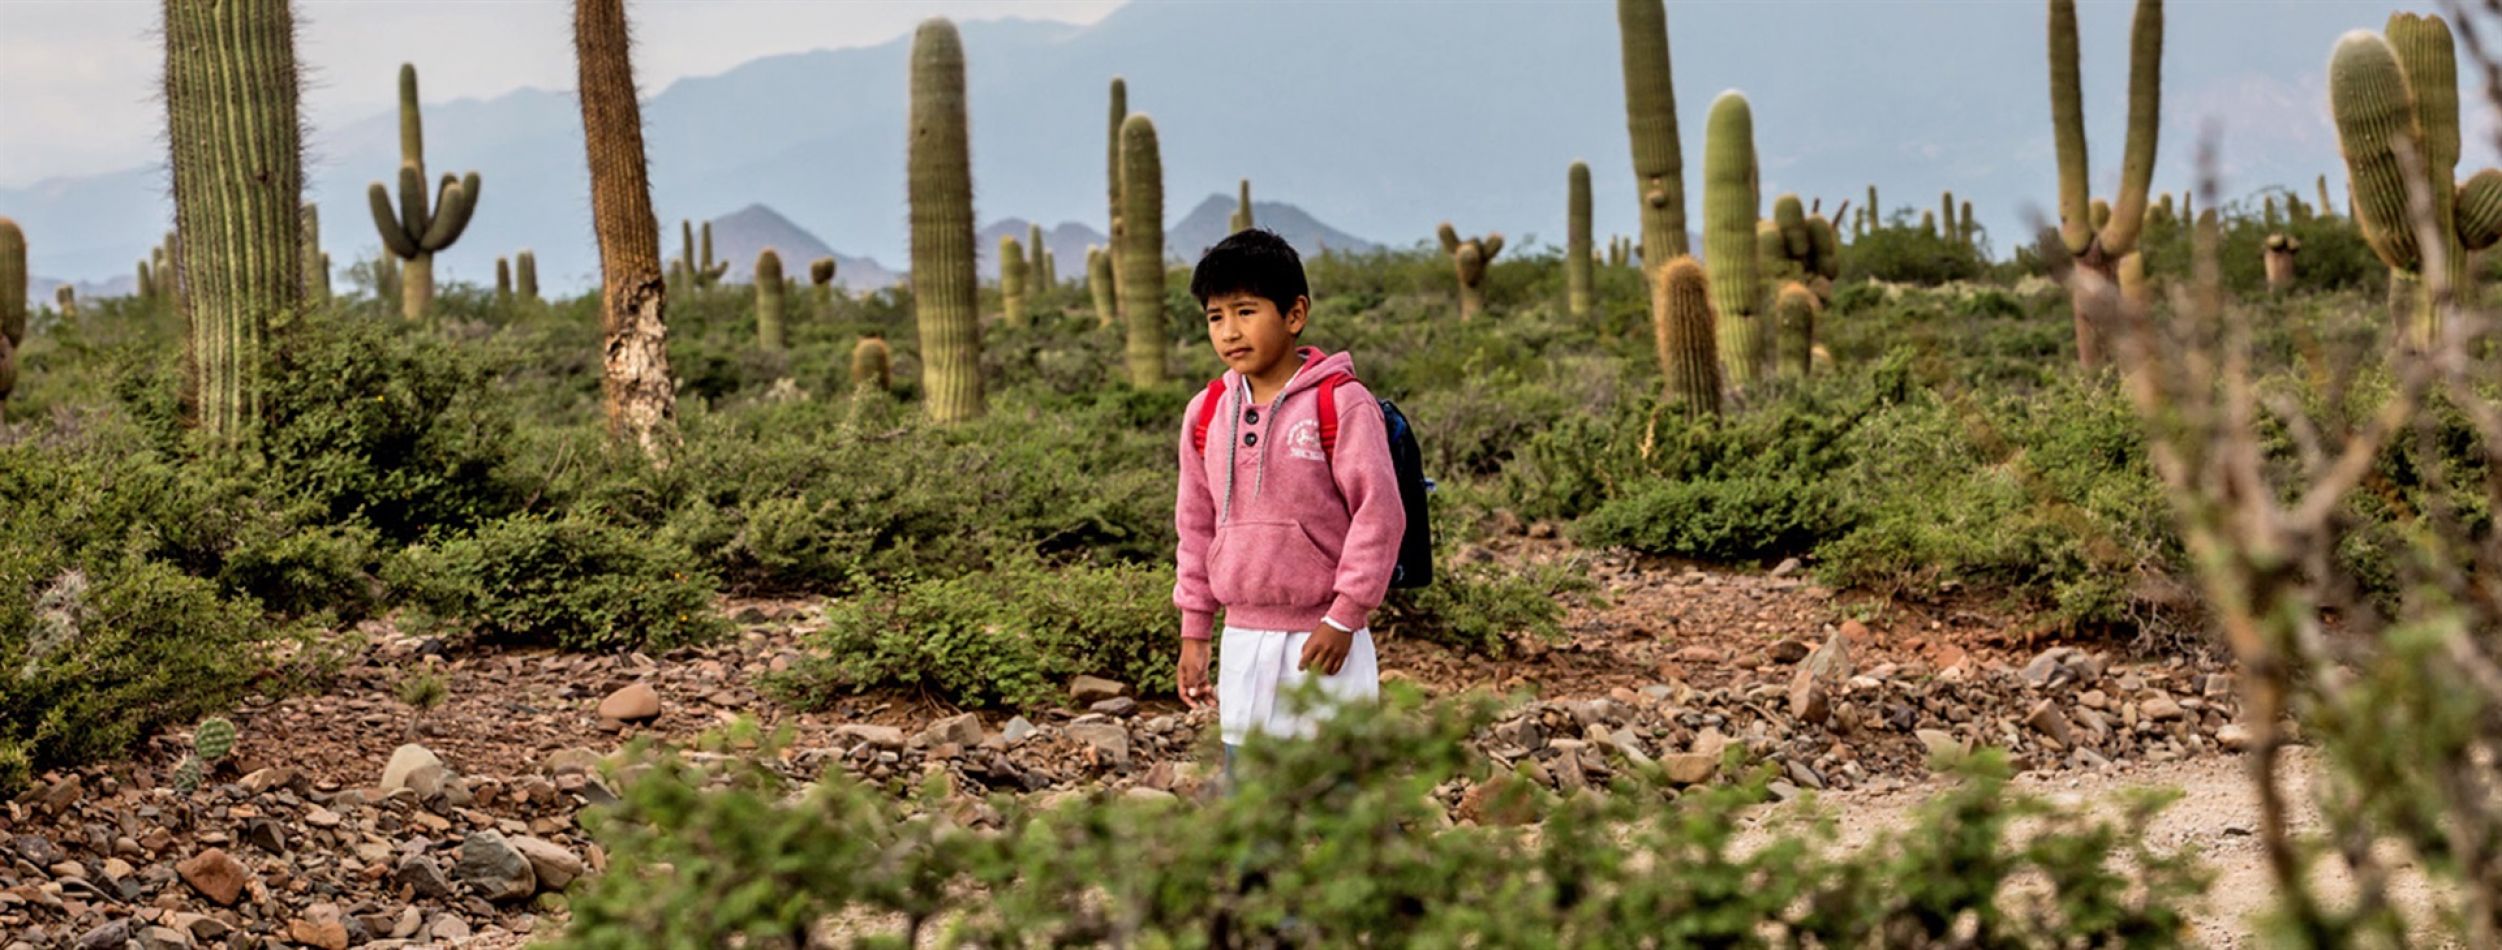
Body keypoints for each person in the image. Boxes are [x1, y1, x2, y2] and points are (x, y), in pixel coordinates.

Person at [1172, 228, 1406, 779]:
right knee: (1248, 791)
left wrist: (1345, 617)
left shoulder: (1342, 404)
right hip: (1244, 635)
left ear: (1295, 313)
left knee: (1344, 793)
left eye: (1246, 311)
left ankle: (1379, 866)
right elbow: (1194, 524)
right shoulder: (1206, 412)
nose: (1230, 331)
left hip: (1323, 636)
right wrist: (1195, 628)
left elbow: (1380, 513)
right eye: (1215, 316)